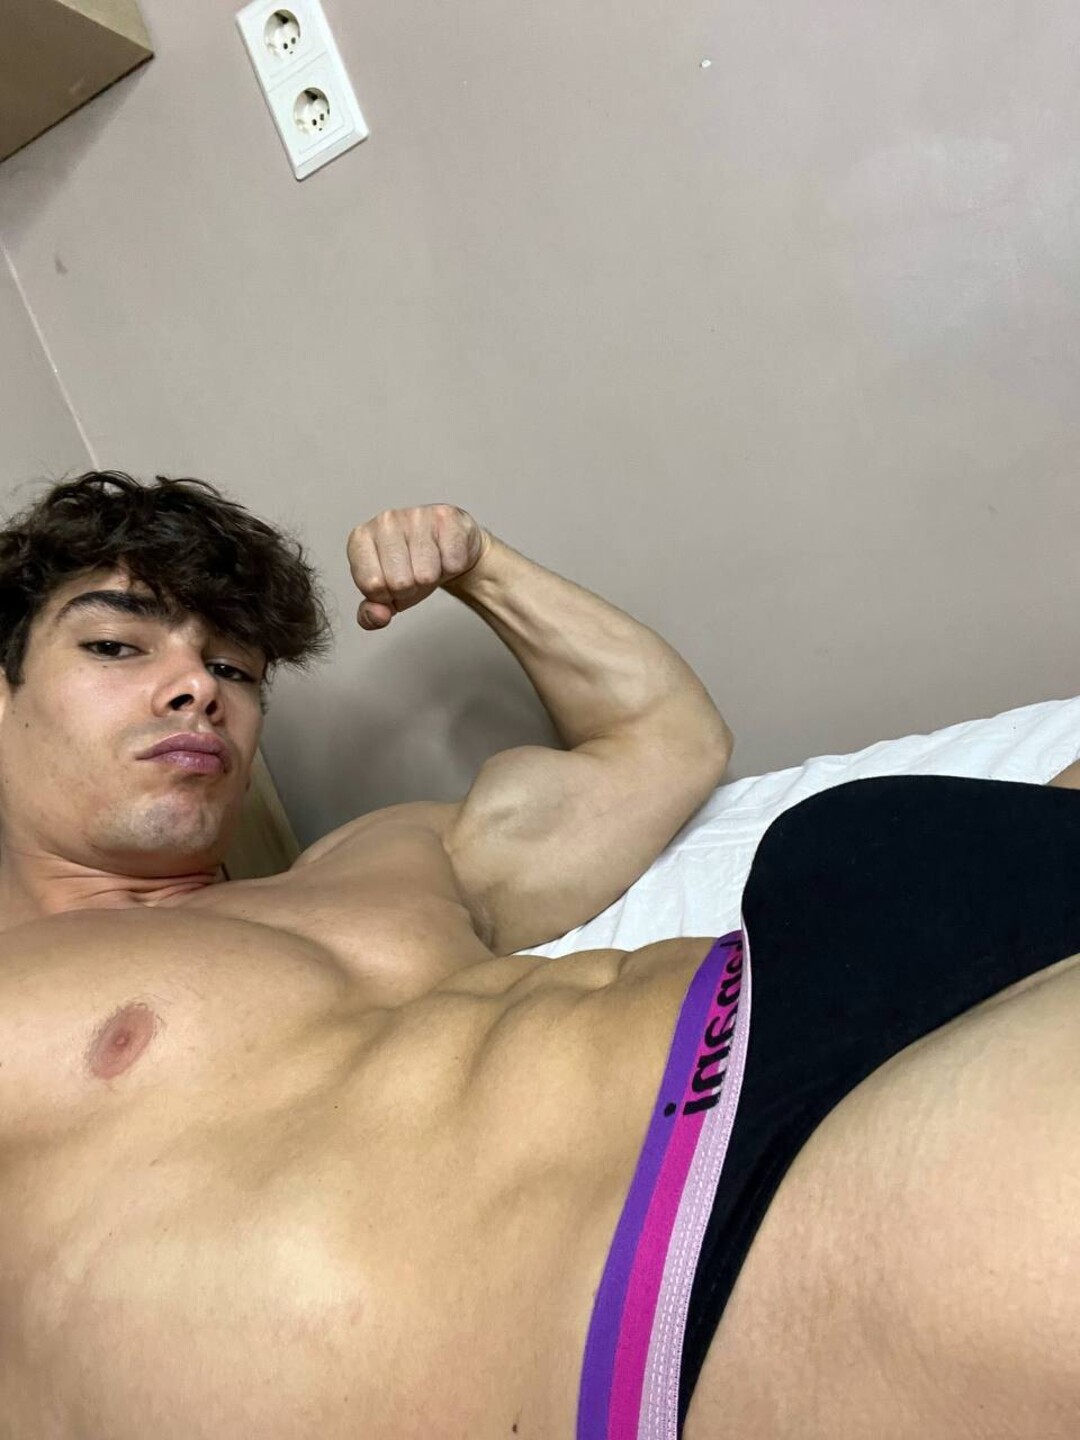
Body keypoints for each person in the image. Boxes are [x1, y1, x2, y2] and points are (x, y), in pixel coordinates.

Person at [0, 470, 1077, 1440]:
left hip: (845, 955)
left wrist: (481, 566)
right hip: (694, 1252)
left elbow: (663, 740)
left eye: (233, 668)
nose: (198, 688)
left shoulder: (387, 855)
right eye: (116, 647)